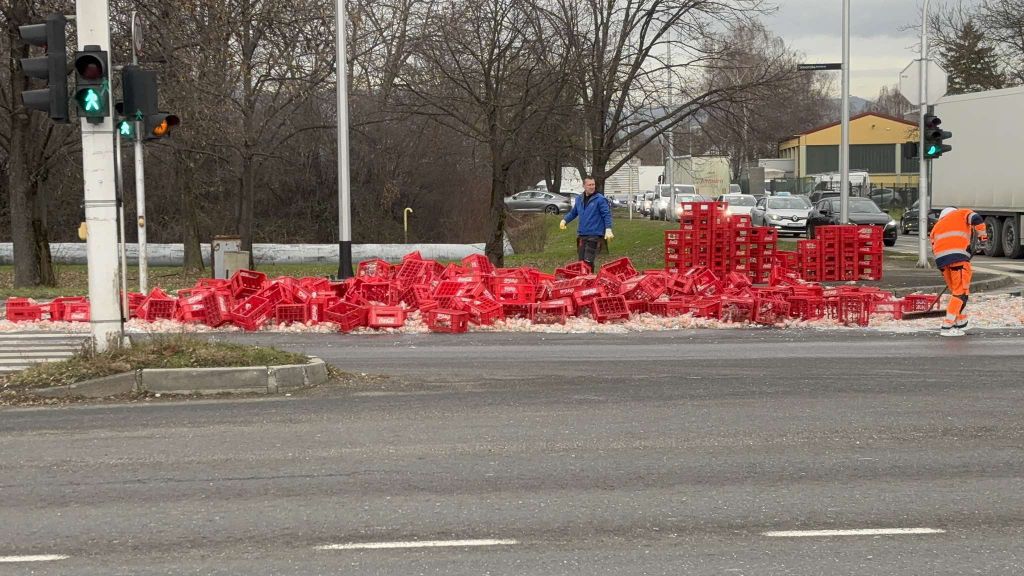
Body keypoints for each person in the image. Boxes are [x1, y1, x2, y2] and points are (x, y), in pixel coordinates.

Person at [929, 206, 988, 337]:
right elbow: (976, 219)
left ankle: (961, 322)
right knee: (960, 293)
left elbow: (935, 247)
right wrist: (982, 238)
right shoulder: (961, 213)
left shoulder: (936, 227)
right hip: (958, 260)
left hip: (942, 263)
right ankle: (947, 326)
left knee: (959, 292)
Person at [560, 177, 613, 273]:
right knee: (581, 262)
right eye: (589, 185)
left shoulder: (600, 199)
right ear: (584, 186)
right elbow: (573, 212)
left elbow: (606, 214)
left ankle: (589, 281)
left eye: (593, 184)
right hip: (582, 235)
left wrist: (608, 229)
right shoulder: (579, 199)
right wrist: (564, 220)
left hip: (594, 235)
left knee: (588, 261)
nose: (592, 187)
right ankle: (586, 280)